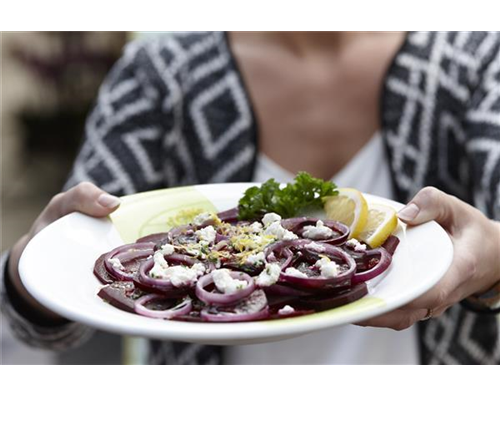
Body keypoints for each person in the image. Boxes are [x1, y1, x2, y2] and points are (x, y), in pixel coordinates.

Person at [2, 31, 500, 380]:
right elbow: (54, 319)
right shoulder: (158, 74)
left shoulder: (475, 59)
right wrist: (34, 274)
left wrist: (493, 260)